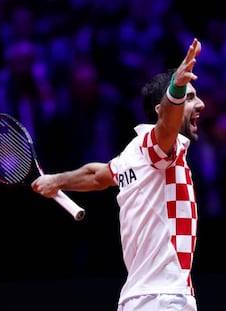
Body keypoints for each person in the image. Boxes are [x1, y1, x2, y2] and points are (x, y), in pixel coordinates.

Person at [32, 38, 204, 310]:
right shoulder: (158, 147)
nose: (201, 104)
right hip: (164, 299)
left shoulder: (133, 155)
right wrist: (177, 86)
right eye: (190, 97)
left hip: (137, 299)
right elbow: (167, 127)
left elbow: (97, 176)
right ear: (163, 110)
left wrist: (56, 181)